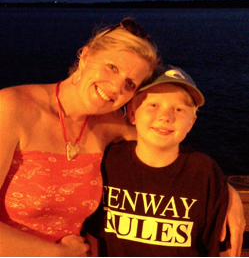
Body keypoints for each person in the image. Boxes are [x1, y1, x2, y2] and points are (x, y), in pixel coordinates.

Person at [0, 17, 245, 256]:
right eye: (112, 67)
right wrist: (53, 253)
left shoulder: (108, 124)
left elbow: (164, 144)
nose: (116, 87)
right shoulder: (12, 108)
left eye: (129, 84)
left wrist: (222, 190)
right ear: (85, 55)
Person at [84, 66, 245, 256]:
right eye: (153, 105)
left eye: (178, 109)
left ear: (191, 123)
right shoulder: (109, 163)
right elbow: (93, 233)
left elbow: (221, 248)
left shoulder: (204, 172)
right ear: (133, 113)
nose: (165, 117)